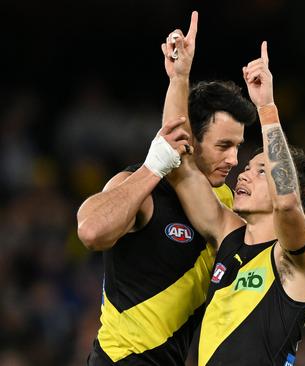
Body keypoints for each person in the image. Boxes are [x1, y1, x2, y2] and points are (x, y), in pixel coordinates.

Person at [76, 12, 260, 365]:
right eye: (224, 146)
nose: (235, 159)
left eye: (238, 146)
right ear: (192, 138)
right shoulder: (139, 188)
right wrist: (152, 167)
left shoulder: (224, 203)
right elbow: (91, 231)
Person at [160, 41, 305, 366]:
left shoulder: (293, 259)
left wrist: (267, 108)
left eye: (262, 171)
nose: (244, 175)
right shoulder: (227, 234)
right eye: (247, 169)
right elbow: (180, 165)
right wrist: (179, 79)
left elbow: (287, 203)